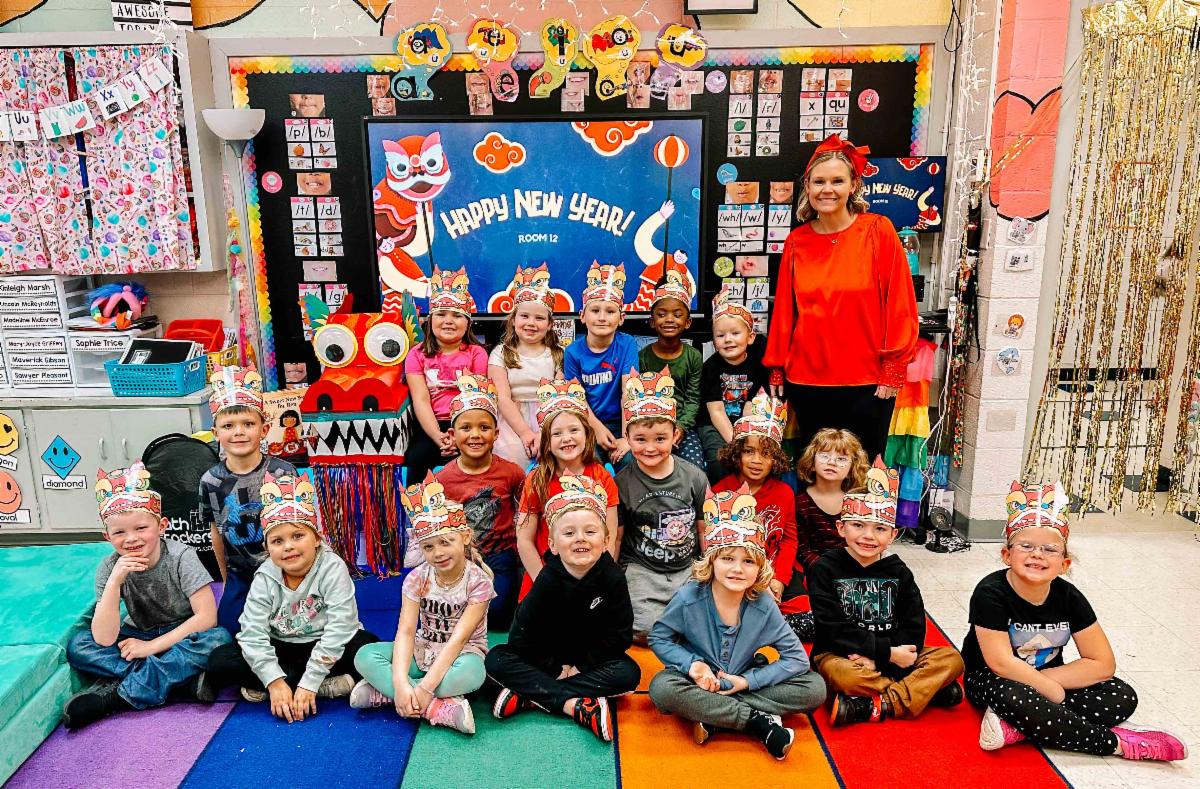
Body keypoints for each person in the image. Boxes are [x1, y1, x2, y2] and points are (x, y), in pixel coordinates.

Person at [963, 482, 1186, 761]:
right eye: (1026, 546)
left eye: (1050, 549)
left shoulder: (1069, 597)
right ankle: (1116, 744)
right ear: (1006, 555)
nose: (1037, 554)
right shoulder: (990, 593)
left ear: (1064, 564)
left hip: (1049, 677)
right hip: (995, 680)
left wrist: (1045, 685)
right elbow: (1001, 663)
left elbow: (1102, 663)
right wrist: (1050, 691)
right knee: (1013, 696)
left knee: (1122, 695)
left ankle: (1018, 725)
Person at [764, 134, 918, 460]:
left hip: (867, 381)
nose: (827, 189)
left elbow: (900, 303)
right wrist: (777, 364)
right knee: (816, 470)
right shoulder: (797, 241)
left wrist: (893, 365)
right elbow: (785, 312)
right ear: (807, 187)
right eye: (819, 181)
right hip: (807, 380)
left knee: (863, 469)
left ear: (853, 185)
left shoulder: (878, 231)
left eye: (837, 180)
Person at [647, 485, 825, 759]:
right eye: (728, 559)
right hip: (698, 680)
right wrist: (693, 665)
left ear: (760, 567)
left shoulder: (764, 605)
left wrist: (746, 681)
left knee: (815, 689)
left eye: (748, 562)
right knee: (662, 688)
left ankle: (713, 715)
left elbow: (797, 660)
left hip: (741, 676)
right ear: (712, 561)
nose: (738, 569)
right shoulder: (689, 597)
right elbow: (659, 637)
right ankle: (757, 722)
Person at [62, 461, 231, 729]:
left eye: (141, 528)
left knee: (218, 640)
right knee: (79, 645)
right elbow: (104, 638)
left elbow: (206, 618)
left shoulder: (181, 556)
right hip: (137, 635)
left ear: (162, 526)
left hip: (181, 633)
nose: (131, 539)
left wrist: (152, 648)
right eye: (119, 532)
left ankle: (117, 697)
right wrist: (115, 581)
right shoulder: (109, 567)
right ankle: (178, 680)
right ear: (107, 536)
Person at [206, 472, 379, 720]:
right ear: (267, 548)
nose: (288, 546)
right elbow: (252, 632)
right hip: (282, 647)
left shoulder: (332, 567)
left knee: (367, 646)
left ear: (317, 539)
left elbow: (341, 627)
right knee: (220, 660)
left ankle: (301, 687)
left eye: (298, 536)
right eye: (277, 541)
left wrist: (310, 681)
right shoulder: (265, 575)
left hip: (324, 645)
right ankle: (310, 687)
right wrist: (274, 681)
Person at [808, 457, 965, 726]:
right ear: (841, 527)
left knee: (952, 660)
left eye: (879, 528)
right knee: (844, 676)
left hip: (895, 654)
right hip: (841, 654)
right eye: (858, 525)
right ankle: (924, 691)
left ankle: (874, 704)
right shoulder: (825, 568)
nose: (868, 536)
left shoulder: (899, 571)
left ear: (892, 535)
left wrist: (882, 661)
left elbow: (914, 627)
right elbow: (833, 629)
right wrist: (887, 655)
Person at [486, 475, 640, 742]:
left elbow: (620, 635)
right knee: (496, 660)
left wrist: (581, 666)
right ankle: (574, 704)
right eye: (569, 533)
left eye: (590, 532)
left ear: (606, 540)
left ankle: (530, 695)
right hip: (548, 660)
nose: (580, 539)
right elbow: (521, 637)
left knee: (629, 674)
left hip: (588, 661)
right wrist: (554, 668)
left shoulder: (613, 577)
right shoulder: (547, 579)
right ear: (553, 545)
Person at [350, 472, 495, 734]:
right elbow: (406, 632)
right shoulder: (417, 578)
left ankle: (388, 695)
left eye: (445, 542)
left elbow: (459, 640)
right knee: (365, 655)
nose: (438, 553)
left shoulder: (479, 581)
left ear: (464, 537)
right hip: (423, 649)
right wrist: (400, 682)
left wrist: (425, 687)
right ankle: (435, 707)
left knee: (474, 674)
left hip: (462, 655)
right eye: (428, 547)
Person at [201, 365, 297, 635]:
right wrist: (224, 579)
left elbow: (298, 526)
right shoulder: (211, 481)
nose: (239, 432)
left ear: (264, 429)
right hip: (239, 574)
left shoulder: (282, 473)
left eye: (248, 424)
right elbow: (215, 532)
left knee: (287, 629)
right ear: (215, 433)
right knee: (229, 630)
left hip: (283, 570)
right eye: (228, 426)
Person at [615, 369, 709, 643]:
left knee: (708, 620)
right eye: (640, 439)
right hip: (643, 569)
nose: (650, 448)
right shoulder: (622, 483)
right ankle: (673, 628)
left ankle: (679, 625)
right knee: (642, 628)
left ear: (674, 435)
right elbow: (617, 537)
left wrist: (708, 571)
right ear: (627, 437)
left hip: (687, 568)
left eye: (660, 438)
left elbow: (704, 530)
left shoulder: (694, 477)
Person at [433, 374, 524, 630]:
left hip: (501, 557)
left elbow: (525, 514)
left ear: (496, 434)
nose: (475, 435)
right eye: (466, 428)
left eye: (484, 428)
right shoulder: (442, 479)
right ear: (453, 434)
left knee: (497, 613)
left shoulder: (512, 473)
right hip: (460, 558)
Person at [516, 378, 619, 598]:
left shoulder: (602, 478)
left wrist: (599, 577)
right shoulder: (536, 480)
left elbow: (610, 537)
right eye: (557, 433)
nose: (566, 439)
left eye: (574, 430)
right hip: (546, 573)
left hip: (592, 573)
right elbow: (524, 539)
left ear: (587, 434)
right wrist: (543, 582)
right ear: (546, 441)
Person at [712, 392, 804, 639]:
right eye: (749, 451)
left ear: (776, 459)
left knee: (805, 615)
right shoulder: (720, 491)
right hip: (735, 571)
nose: (756, 460)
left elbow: (789, 540)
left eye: (766, 453)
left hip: (775, 569)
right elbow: (714, 545)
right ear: (737, 453)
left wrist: (779, 580)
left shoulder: (784, 493)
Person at [404, 266, 489, 481]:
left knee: (477, 457)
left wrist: (460, 435)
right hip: (430, 423)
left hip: (468, 421)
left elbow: (477, 399)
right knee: (417, 457)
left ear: (468, 322)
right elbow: (421, 400)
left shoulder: (477, 353)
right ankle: (417, 502)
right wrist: (439, 437)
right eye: (441, 314)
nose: (448, 321)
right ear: (430, 320)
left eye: (457, 316)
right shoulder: (416, 355)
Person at [563, 262, 639, 469]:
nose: (602, 318)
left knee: (630, 461)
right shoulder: (572, 352)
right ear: (582, 316)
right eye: (595, 310)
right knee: (587, 461)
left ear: (621, 318)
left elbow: (629, 392)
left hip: (622, 422)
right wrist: (596, 428)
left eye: (610, 311)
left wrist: (627, 436)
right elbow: (576, 398)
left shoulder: (627, 344)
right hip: (587, 422)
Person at [488, 264, 564, 464]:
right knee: (512, 454)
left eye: (539, 318)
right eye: (524, 316)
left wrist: (544, 432)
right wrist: (525, 433)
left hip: (550, 416)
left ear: (550, 325)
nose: (531, 323)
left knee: (554, 452)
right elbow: (502, 398)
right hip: (512, 418)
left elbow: (558, 397)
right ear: (513, 320)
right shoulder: (500, 354)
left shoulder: (557, 354)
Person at [638, 262, 705, 470]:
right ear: (652, 321)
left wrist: (681, 427)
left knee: (695, 467)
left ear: (688, 322)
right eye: (661, 314)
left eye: (677, 314)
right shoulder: (643, 357)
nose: (669, 320)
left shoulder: (693, 357)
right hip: (650, 426)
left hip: (683, 427)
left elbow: (693, 399)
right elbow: (639, 397)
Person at [698, 288, 769, 482]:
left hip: (745, 420)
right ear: (714, 341)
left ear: (750, 337)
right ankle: (724, 494)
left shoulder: (758, 365)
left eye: (735, 333)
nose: (728, 339)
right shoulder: (710, 367)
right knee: (721, 458)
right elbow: (716, 412)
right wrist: (735, 443)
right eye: (720, 336)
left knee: (758, 454)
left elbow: (751, 406)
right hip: (714, 424)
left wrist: (746, 439)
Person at [795, 428, 869, 574]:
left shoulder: (857, 502)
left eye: (841, 459)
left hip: (852, 568)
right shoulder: (800, 503)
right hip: (816, 571)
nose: (832, 462)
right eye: (824, 456)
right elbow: (802, 550)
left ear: (852, 469)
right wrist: (826, 569)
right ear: (812, 463)